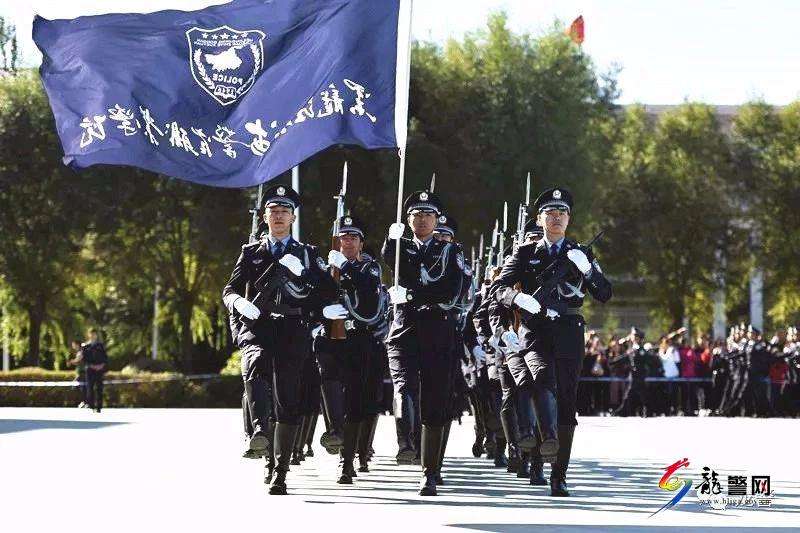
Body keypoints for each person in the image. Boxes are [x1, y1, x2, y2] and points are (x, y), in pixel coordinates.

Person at [493, 187, 612, 497]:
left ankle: (559, 474)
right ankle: (542, 446)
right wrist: (517, 297)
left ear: (569, 219)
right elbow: (498, 289)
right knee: (542, 379)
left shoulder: (582, 254)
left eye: (562, 212)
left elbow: (604, 293)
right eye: (550, 212)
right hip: (535, 330)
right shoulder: (525, 252)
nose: (557, 216)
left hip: (570, 330)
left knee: (568, 403)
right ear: (540, 218)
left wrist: (587, 269)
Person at [222, 184, 338, 495]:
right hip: (259, 326)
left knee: (287, 399)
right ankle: (259, 431)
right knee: (255, 365)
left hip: (291, 328)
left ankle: (280, 468)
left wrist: (304, 274)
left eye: (284, 211)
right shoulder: (251, 253)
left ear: (293, 217)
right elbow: (230, 289)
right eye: (273, 211)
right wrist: (237, 303)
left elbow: (327, 292)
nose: (278, 216)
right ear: (264, 216)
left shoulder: (307, 254)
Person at [382, 189, 463, 496]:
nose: (422, 220)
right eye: (416, 215)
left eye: (428, 215)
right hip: (404, 329)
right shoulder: (401, 248)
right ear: (408, 220)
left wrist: (414, 295)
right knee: (402, 386)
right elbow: (391, 262)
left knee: (435, 401)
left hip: (438, 331)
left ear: (436, 219)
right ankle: (406, 444)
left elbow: (451, 291)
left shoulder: (450, 252)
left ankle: (430, 471)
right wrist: (392, 240)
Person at [313, 214, 385, 484]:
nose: (348, 242)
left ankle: (348, 459)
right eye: (343, 237)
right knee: (328, 383)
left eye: (353, 238)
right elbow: (313, 294)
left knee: (358, 401)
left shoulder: (369, 269)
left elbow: (368, 294)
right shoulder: (326, 267)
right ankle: (335, 430)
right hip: (330, 338)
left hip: (359, 339)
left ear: (361, 243)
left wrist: (347, 268)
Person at [81, 329, 108, 413]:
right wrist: (91, 366)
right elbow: (84, 359)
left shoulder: (100, 345)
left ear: (96, 335)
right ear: (89, 335)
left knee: (99, 388)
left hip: (99, 370)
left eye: (94, 334)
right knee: (90, 388)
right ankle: (91, 405)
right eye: (91, 334)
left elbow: (105, 358)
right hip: (90, 370)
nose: (93, 335)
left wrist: (101, 365)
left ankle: (99, 407)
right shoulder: (86, 346)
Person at [67, 339, 88, 408]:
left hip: (83, 373)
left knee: (77, 386)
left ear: (77, 345)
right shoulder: (79, 352)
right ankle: (85, 402)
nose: (73, 346)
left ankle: (85, 402)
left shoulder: (81, 352)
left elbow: (78, 360)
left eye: (74, 345)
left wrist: (71, 362)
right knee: (81, 388)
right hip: (80, 373)